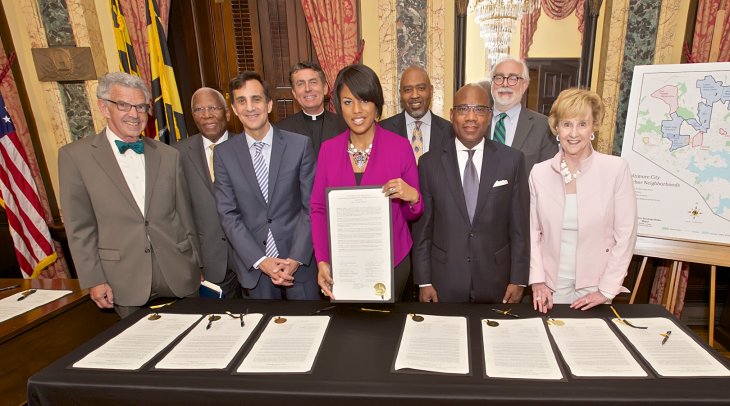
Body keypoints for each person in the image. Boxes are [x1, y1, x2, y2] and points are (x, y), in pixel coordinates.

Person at [59, 72, 200, 317]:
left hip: (179, 274)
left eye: (141, 107)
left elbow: (184, 215)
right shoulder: (75, 157)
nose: (134, 114)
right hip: (123, 281)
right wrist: (94, 279)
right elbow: (79, 227)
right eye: (123, 105)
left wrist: (197, 264)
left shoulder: (168, 155)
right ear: (104, 107)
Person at [312, 64, 423, 301]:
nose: (357, 110)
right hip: (343, 263)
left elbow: (413, 213)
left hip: (392, 261)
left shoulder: (400, 147)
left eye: (364, 100)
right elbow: (319, 209)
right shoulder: (328, 151)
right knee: (349, 331)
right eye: (348, 102)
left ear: (376, 105)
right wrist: (322, 259)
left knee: (389, 330)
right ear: (339, 107)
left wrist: (412, 197)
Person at [413, 84, 529, 303]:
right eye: (463, 109)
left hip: (497, 281)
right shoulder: (429, 163)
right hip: (443, 281)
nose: (471, 117)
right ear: (452, 115)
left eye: (479, 109)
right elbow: (423, 229)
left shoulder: (512, 161)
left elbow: (520, 227)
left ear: (490, 115)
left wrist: (519, 279)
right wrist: (424, 280)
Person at [529, 88, 637, 312]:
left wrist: (606, 290)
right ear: (556, 127)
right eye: (567, 124)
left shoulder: (616, 169)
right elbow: (533, 233)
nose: (574, 133)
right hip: (551, 287)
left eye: (582, 124)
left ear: (594, 126)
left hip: (595, 287)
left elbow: (625, 235)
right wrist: (538, 281)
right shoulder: (539, 173)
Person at [214, 72, 318, 300]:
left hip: (299, 267)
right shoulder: (224, 154)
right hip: (256, 271)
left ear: (269, 104)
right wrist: (261, 261)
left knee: (308, 330)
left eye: (256, 99)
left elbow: (311, 207)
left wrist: (295, 258)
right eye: (242, 101)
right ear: (233, 109)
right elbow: (228, 214)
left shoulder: (299, 146)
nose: (250, 107)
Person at [174, 87, 241, 298]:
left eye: (213, 107)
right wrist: (191, 263)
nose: (207, 115)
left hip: (252, 260)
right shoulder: (176, 154)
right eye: (199, 109)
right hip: (207, 261)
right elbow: (176, 213)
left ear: (227, 113)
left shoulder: (248, 146)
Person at [489, 56, 557, 174]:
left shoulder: (543, 126)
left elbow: (549, 175)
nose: (505, 84)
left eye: (513, 78)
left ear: (524, 85)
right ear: (492, 84)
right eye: (499, 78)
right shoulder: (477, 121)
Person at [379, 66, 451, 161]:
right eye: (408, 90)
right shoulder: (383, 130)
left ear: (431, 90)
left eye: (421, 88)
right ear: (401, 94)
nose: (415, 95)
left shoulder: (450, 131)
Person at [276, 61, 347, 157]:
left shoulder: (344, 125)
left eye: (313, 82)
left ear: (325, 88)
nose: (307, 89)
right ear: (294, 93)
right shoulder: (281, 130)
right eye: (300, 84)